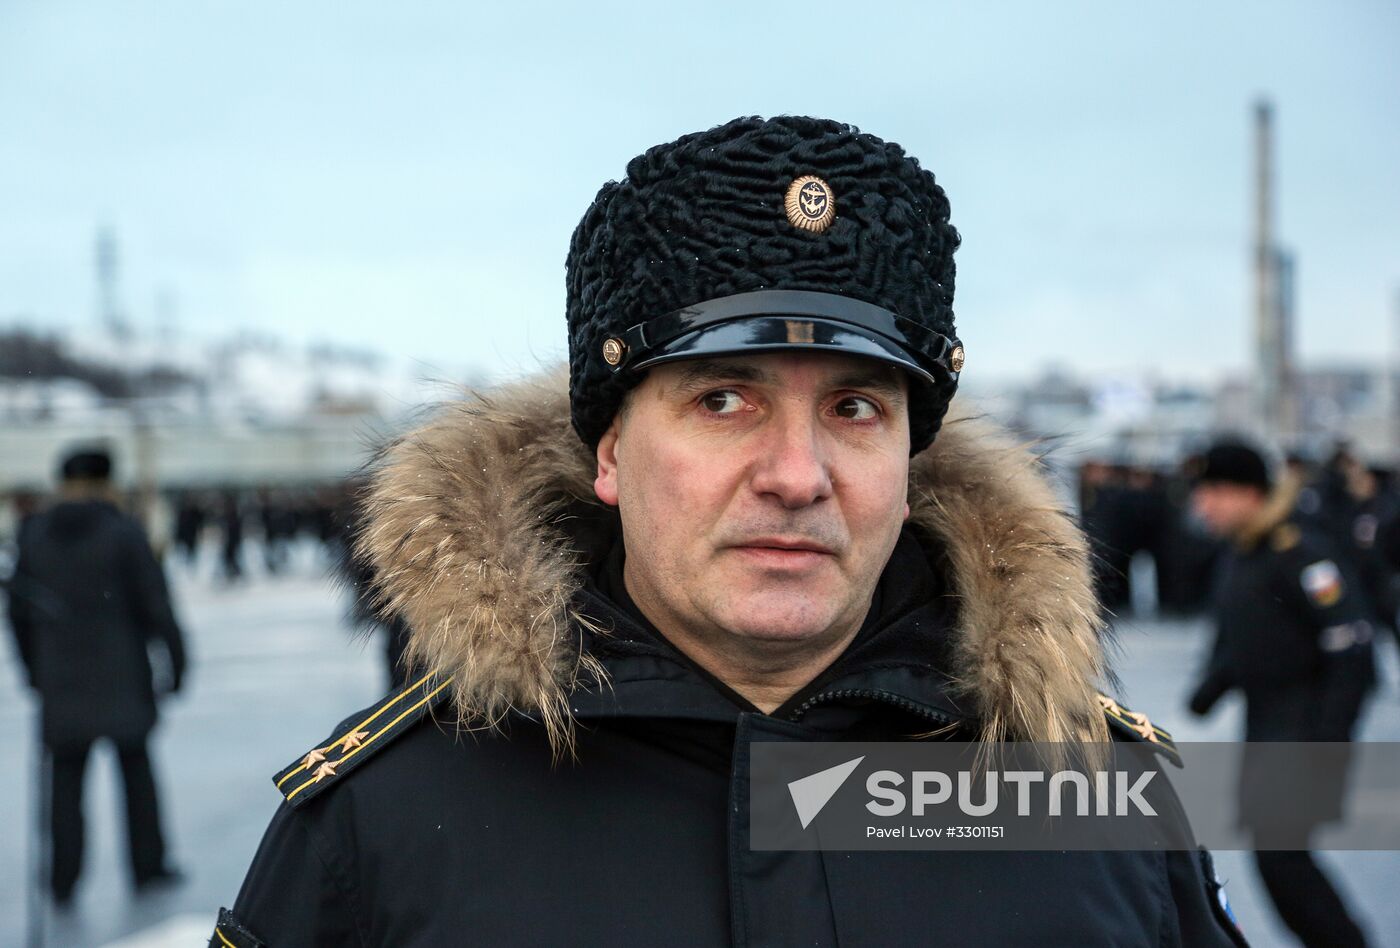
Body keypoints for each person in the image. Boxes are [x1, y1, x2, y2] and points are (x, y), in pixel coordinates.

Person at [213, 116, 1244, 947]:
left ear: (907, 458)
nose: (796, 477)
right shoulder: (383, 823)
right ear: (609, 451)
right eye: (721, 401)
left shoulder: (1096, 800)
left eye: (853, 410)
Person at [1188, 440, 1375, 947]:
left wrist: (1327, 743)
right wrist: (1206, 693)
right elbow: (1251, 635)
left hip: (1303, 731)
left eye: (1216, 492)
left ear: (1251, 493)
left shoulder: (1299, 551)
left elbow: (1353, 652)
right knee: (1278, 860)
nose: (1204, 505)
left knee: (1283, 860)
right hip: (1267, 730)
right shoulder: (1244, 551)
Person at [6, 449, 186, 905]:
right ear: (106, 481)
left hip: (60, 679)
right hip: (121, 672)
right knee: (136, 775)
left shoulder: (34, 533)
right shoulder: (122, 531)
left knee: (65, 784)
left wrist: (35, 671)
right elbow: (155, 603)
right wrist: (177, 659)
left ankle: (63, 877)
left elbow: (18, 615)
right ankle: (147, 866)